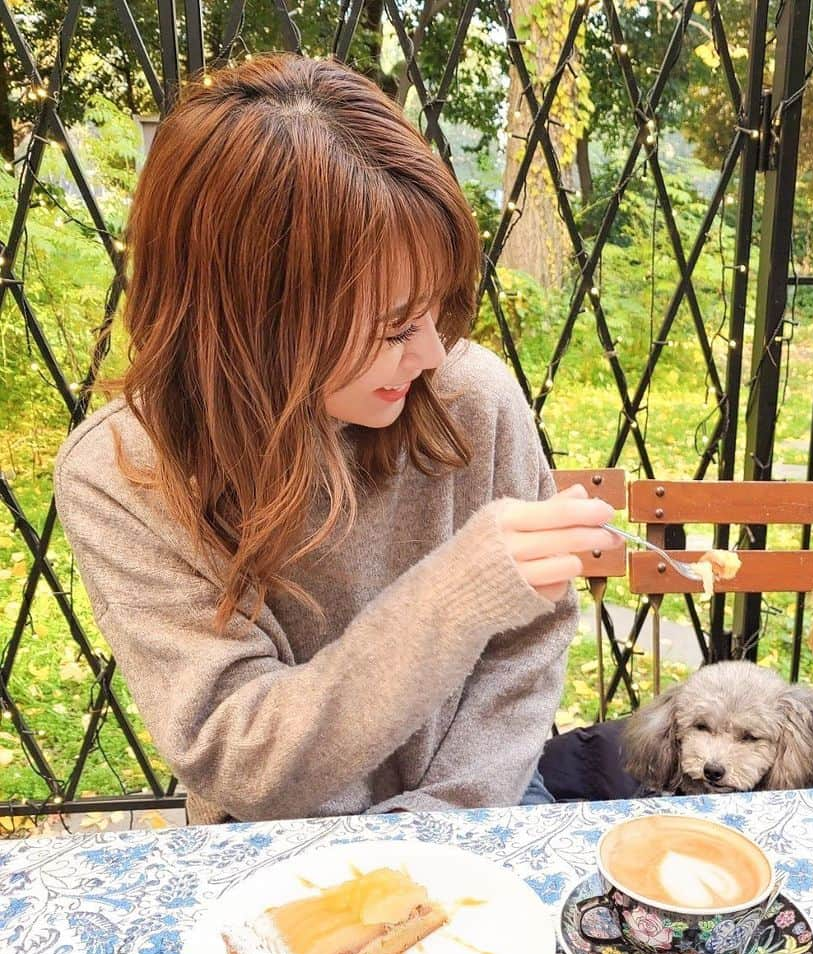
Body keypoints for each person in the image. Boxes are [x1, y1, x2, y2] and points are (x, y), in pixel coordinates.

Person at [54, 53, 617, 825]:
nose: (429, 354)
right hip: (271, 847)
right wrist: (456, 596)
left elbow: (529, 644)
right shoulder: (122, 475)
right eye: (394, 327)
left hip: (477, 816)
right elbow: (243, 756)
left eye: (437, 310)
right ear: (257, 323)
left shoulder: (466, 395)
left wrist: (437, 829)